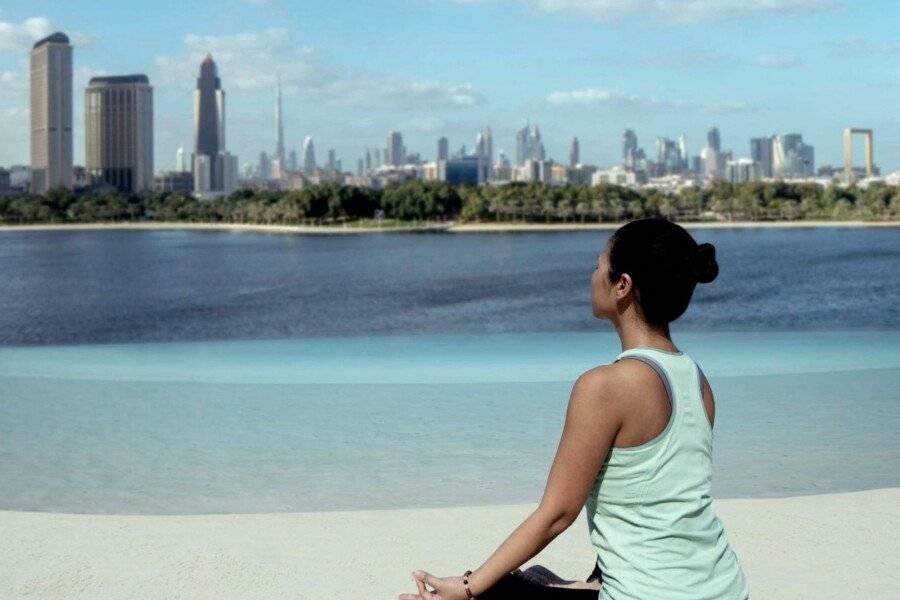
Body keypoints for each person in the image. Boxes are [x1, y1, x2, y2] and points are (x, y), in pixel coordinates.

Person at [399, 217, 750, 600]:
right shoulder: (698, 381)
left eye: (598, 266)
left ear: (622, 286)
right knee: (533, 575)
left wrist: (467, 588)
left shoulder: (604, 386)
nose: (592, 275)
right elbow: (661, 509)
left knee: (480, 592)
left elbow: (556, 515)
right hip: (724, 587)